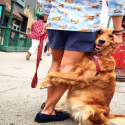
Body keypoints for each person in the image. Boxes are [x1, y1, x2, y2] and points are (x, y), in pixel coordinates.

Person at [35, 0, 124, 123]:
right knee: (69, 66)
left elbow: (47, 1)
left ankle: (49, 102)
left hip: (56, 20)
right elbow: (116, 2)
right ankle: (48, 109)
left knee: (56, 63)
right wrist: (118, 31)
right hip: (84, 24)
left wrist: (46, 20)